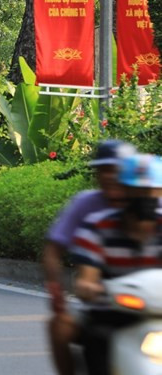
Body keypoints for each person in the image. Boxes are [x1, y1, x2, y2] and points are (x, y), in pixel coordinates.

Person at [43, 140, 136, 375]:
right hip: (103, 305)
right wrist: (57, 290)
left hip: (150, 305)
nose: (110, 176)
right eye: (104, 170)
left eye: (116, 170)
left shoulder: (152, 210)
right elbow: (55, 250)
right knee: (59, 327)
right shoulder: (93, 222)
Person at [70, 153, 162, 365]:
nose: (146, 196)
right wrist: (88, 287)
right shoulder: (97, 227)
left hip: (158, 315)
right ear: (124, 190)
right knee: (96, 341)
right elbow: (87, 278)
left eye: (151, 190)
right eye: (138, 190)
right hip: (112, 316)